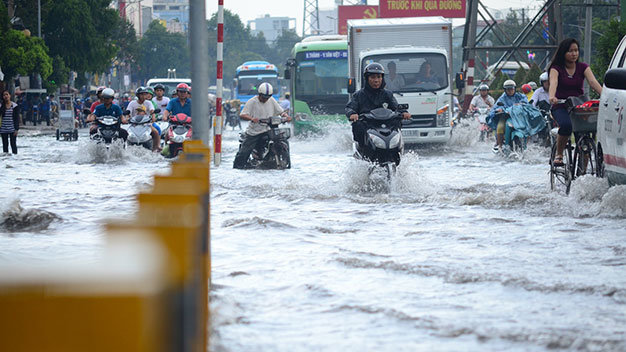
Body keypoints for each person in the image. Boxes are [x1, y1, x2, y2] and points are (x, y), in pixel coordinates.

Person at [548, 38, 603, 166]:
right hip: (561, 105)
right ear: (563, 53)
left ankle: (582, 168)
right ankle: (559, 155)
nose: (574, 54)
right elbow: (553, 82)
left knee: (587, 132)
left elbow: (593, 83)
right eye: (570, 51)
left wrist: (606, 95)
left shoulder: (583, 67)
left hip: (579, 106)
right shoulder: (556, 68)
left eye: (576, 50)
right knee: (566, 126)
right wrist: (552, 96)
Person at [346, 62, 411, 148]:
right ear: (367, 79)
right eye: (373, 77)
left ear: (382, 78)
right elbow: (350, 107)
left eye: (379, 77)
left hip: (386, 126)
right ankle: (363, 150)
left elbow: (396, 107)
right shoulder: (359, 95)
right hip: (368, 126)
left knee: (397, 121)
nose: (376, 80)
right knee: (357, 125)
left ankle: (398, 148)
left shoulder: (387, 94)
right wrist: (352, 114)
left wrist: (404, 112)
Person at [233, 82, 291, 169]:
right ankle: (237, 167)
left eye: (268, 97)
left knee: (281, 140)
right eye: (264, 97)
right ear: (259, 94)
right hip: (254, 132)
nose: (265, 99)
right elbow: (243, 114)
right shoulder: (252, 102)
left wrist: (286, 116)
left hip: (268, 130)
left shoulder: (271, 100)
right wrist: (252, 119)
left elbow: (281, 111)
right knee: (244, 152)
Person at [490, 79, 528, 152]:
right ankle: (500, 145)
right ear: (505, 90)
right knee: (500, 127)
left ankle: (526, 145)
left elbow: (525, 102)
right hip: (506, 117)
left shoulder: (520, 96)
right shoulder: (502, 98)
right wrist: (499, 109)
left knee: (528, 127)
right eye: (508, 89)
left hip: (518, 117)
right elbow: (497, 106)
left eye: (512, 89)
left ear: (514, 89)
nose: (510, 91)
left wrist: (521, 104)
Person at [127, 87, 160, 151]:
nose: (144, 96)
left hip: (146, 124)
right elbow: (128, 112)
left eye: (145, 94)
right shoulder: (132, 103)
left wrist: (153, 117)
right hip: (134, 125)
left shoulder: (148, 103)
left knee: (155, 132)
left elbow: (152, 111)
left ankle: (156, 147)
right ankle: (125, 147)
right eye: (142, 94)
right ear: (137, 95)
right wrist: (127, 118)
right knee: (126, 133)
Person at [0, 90, 21, 154]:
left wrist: (16, 129)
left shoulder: (15, 106)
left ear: (10, 95)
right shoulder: (1, 106)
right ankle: (6, 159)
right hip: (3, 129)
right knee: (5, 146)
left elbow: (17, 118)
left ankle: (14, 160)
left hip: (12, 129)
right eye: (4, 95)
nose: (6, 96)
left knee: (13, 144)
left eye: (7, 94)